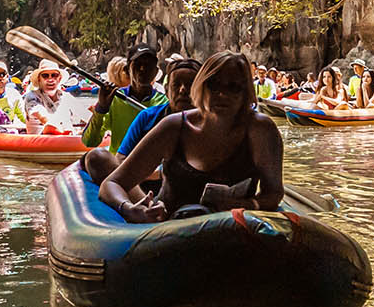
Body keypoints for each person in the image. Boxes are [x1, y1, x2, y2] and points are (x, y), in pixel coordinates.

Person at [100, 52, 284, 222]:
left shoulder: (261, 130)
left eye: (233, 87)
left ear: (246, 92)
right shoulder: (174, 127)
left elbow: (273, 193)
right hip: (168, 229)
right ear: (201, 87)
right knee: (97, 159)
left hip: (230, 233)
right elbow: (113, 183)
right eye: (214, 84)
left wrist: (246, 205)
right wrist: (129, 209)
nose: (222, 94)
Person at [82, 46, 166, 181]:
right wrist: (101, 108)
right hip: (118, 169)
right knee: (93, 156)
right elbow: (89, 141)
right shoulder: (114, 99)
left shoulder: (164, 103)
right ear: (127, 70)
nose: (143, 69)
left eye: (148, 65)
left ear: (155, 72)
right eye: (138, 65)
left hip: (152, 173)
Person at [22, 62, 70, 132]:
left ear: (59, 78)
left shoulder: (67, 97)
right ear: (39, 79)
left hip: (65, 137)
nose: (50, 79)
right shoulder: (31, 96)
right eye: (45, 76)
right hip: (40, 140)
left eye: (54, 75)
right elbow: (42, 115)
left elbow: (85, 115)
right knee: (50, 127)